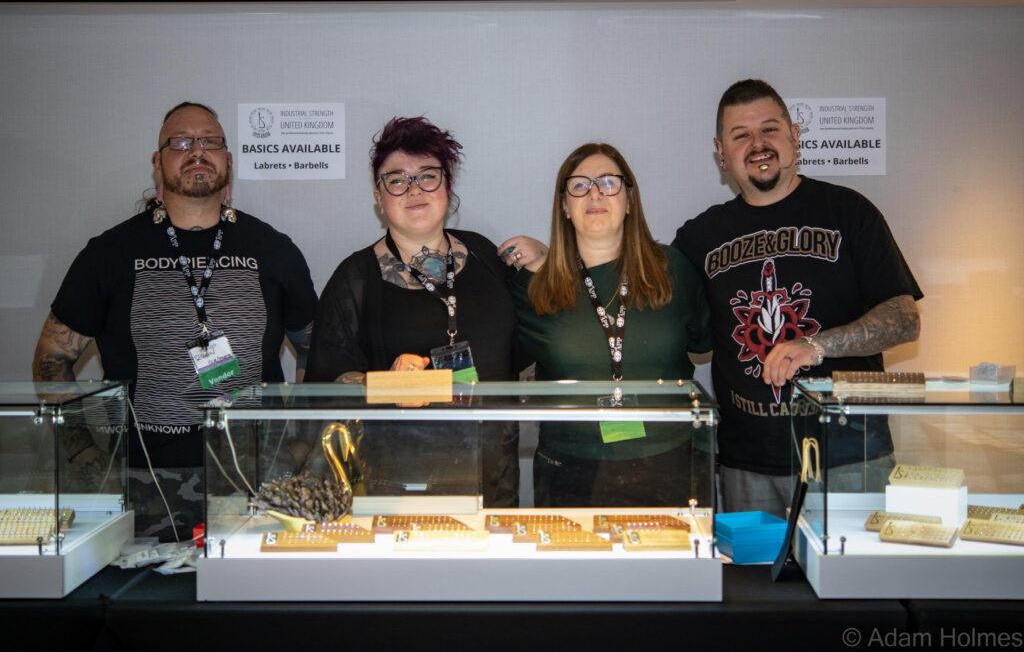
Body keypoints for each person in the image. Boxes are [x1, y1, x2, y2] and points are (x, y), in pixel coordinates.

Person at [32, 101, 317, 540]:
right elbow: (52, 357)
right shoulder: (109, 254)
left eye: (210, 142)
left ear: (228, 160)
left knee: (256, 603)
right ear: (157, 162)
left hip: (260, 480)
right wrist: (85, 457)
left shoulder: (274, 249)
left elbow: (315, 349)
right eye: (180, 142)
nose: (197, 151)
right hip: (145, 484)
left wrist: (301, 442)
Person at [672, 79, 922, 516]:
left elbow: (904, 318)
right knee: (752, 585)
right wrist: (553, 258)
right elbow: (640, 281)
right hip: (747, 464)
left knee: (855, 584)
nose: (758, 144)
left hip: (850, 454)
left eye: (769, 129)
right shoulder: (699, 237)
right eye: (741, 135)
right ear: (721, 152)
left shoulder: (848, 212)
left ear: (794, 136)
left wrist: (816, 345)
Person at [305, 116, 518, 507]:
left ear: (447, 185)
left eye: (427, 176)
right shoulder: (355, 278)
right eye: (397, 179)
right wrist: (384, 383)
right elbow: (323, 386)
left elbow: (523, 352)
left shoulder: (486, 255)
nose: (413, 189)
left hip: (494, 479)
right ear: (378, 195)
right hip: (397, 486)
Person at [511, 143, 712, 507]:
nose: (594, 193)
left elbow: (703, 345)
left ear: (630, 200)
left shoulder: (673, 271)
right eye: (579, 185)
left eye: (608, 183)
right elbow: (496, 362)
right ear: (564, 207)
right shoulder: (535, 287)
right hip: (570, 471)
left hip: (671, 463)